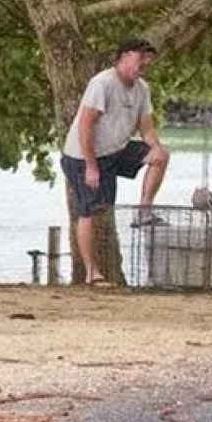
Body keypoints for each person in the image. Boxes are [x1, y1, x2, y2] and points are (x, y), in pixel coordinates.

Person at [61, 38, 171, 286]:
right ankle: (91, 273)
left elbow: (147, 128)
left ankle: (144, 210)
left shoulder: (142, 88)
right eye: (141, 57)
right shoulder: (102, 83)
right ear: (124, 57)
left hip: (116, 151)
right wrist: (91, 166)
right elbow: (86, 125)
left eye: (149, 59)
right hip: (83, 156)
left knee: (161, 156)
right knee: (90, 210)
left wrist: (155, 146)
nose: (146, 63)